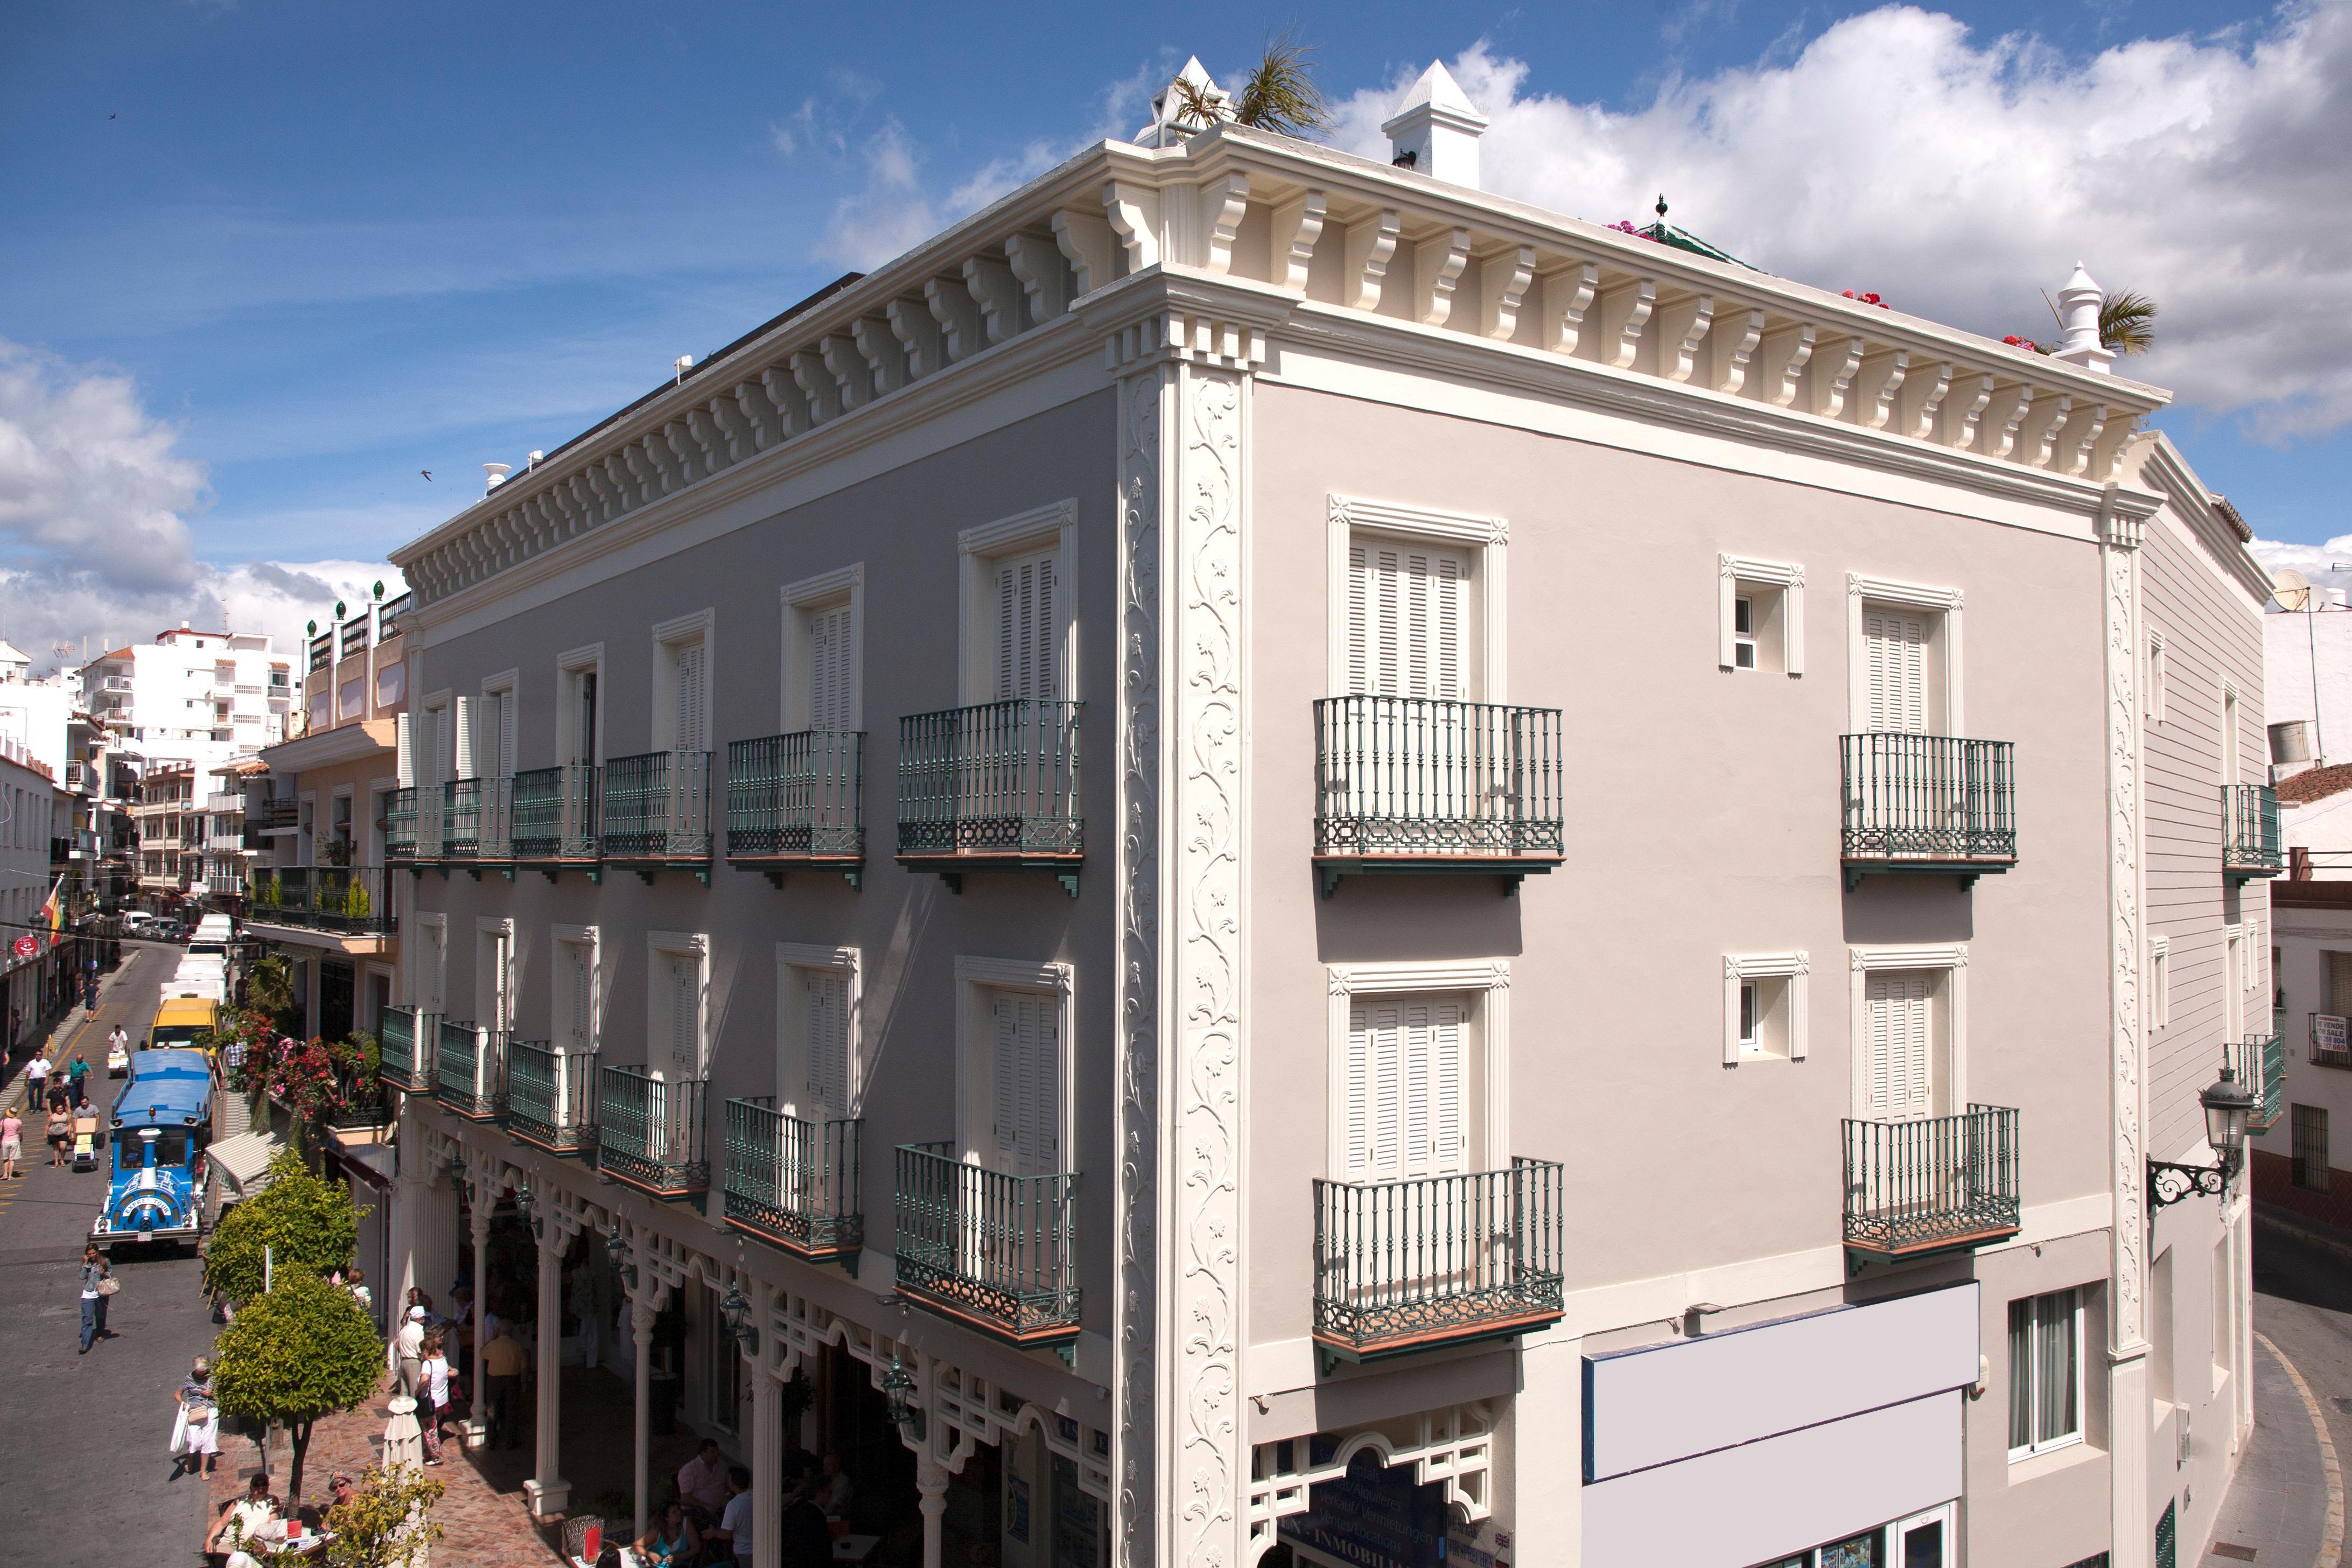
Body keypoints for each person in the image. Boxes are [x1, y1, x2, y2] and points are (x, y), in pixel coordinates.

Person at [207, 1474, 278, 1567]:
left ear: (268, 1486)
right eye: (257, 1485)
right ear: (251, 1488)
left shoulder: (272, 1501)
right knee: (219, 1559)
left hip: (253, 1546)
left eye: (264, 1484)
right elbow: (221, 1523)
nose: (261, 1488)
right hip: (230, 1544)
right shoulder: (239, 1502)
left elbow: (271, 1523)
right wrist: (209, 1539)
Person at [480, 1320, 528, 1450]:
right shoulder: (516, 1346)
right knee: (511, 1410)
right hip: (512, 1380)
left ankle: (491, 1441)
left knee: (492, 1409)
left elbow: (482, 1353)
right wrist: (523, 1382)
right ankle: (510, 1441)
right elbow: (523, 1367)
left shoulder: (494, 1345)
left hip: (495, 1381)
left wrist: (492, 1338)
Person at [174, 1356, 221, 1476]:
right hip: (194, 1412)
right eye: (199, 1372)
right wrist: (183, 1404)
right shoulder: (189, 1379)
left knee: (208, 1440)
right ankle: (190, 1457)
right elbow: (178, 1394)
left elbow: (223, 1393)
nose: (201, 1375)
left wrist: (213, 1394)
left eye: (204, 1372)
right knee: (194, 1439)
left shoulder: (213, 1376)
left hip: (210, 1410)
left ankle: (203, 1470)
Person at [778, 1476, 835, 1568]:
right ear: (819, 1493)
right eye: (829, 1492)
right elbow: (820, 1552)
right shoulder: (815, 1517)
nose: (831, 1495)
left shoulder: (801, 1510)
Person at [706, 1465, 754, 1567]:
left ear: (733, 1483)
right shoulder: (757, 1496)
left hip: (744, 1553)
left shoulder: (733, 1505)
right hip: (761, 1548)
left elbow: (726, 1534)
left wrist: (714, 1532)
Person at [677, 1437, 732, 1518]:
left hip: (720, 1509)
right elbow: (685, 1498)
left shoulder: (722, 1464)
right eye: (713, 1452)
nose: (716, 1454)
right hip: (697, 1513)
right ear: (703, 1453)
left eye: (717, 1451)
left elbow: (726, 1485)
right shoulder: (690, 1469)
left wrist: (727, 1497)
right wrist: (704, 1505)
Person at [418, 1329, 451, 1464]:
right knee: (432, 1427)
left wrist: (417, 1389)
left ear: (426, 1351)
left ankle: (437, 1456)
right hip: (442, 1400)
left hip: (431, 1401)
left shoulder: (428, 1363)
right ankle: (426, 1454)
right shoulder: (442, 1360)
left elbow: (425, 1379)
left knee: (429, 1430)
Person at [633, 1500, 699, 1568]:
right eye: (674, 1512)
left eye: (678, 1509)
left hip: (681, 1565)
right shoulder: (657, 1531)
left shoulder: (686, 1524)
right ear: (666, 1518)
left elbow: (696, 1548)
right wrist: (650, 1554)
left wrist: (679, 1557)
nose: (679, 1513)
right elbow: (636, 1547)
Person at [79, 1244, 111, 1352]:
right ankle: (85, 1344)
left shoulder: (105, 1261)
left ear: (97, 1252)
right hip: (88, 1294)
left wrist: (105, 1274)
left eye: (93, 1253)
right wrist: (84, 1264)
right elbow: (82, 1277)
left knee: (100, 1315)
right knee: (87, 1319)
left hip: (101, 1293)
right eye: (89, 1254)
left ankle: (100, 1333)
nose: (91, 1256)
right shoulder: (86, 1263)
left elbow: (111, 1276)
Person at [391, 1305, 426, 1397]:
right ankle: (415, 1411)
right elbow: (420, 1350)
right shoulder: (419, 1330)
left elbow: (398, 1346)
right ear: (420, 1319)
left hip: (404, 1362)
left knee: (405, 1394)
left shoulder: (404, 1329)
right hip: (413, 1363)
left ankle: (406, 1411)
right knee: (415, 1392)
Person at [818, 1450, 852, 1518]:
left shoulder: (842, 1481)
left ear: (837, 1466)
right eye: (824, 1465)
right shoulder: (828, 1481)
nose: (824, 1468)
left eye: (828, 1465)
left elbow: (834, 1506)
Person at [1, 1103, 20, 1179]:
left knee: (6, 1159)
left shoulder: (3, 1121)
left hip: (5, 1141)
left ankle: (5, 1174)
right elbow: (20, 1132)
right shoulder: (18, 1121)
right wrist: (21, 1138)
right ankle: (10, 1176)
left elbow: (0, 1131)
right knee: (12, 1159)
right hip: (15, 1140)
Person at [46, 1100, 67, 1166]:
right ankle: (56, 1162)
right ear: (56, 1110)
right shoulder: (52, 1116)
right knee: (56, 1148)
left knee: (63, 1147)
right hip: (53, 1134)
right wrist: (45, 1134)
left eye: (61, 1108)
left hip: (63, 1132)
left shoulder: (66, 1115)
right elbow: (48, 1125)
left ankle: (62, 1160)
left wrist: (70, 1132)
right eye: (59, 1109)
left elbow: (70, 1124)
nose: (60, 1110)